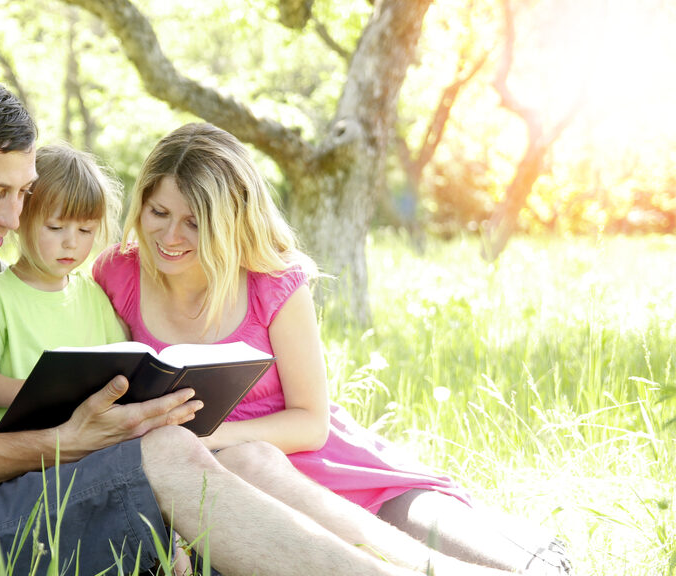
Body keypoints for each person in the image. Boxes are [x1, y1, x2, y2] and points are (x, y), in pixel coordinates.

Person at [0, 76, 518, 576]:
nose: (10, 219)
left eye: (20, 194)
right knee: (163, 449)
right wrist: (63, 444)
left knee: (247, 460)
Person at [94, 122, 572, 575]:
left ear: (229, 221)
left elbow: (310, 423)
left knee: (523, 563)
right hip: (233, 489)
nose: (171, 237)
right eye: (159, 213)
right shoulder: (117, 275)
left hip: (336, 476)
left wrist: (205, 440)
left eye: (194, 223)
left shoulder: (273, 283)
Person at [0, 142, 127, 428]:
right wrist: (51, 394)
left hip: (91, 439)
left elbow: (123, 364)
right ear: (21, 217)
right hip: (27, 446)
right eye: (55, 228)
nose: (71, 242)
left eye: (85, 230)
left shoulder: (93, 295)